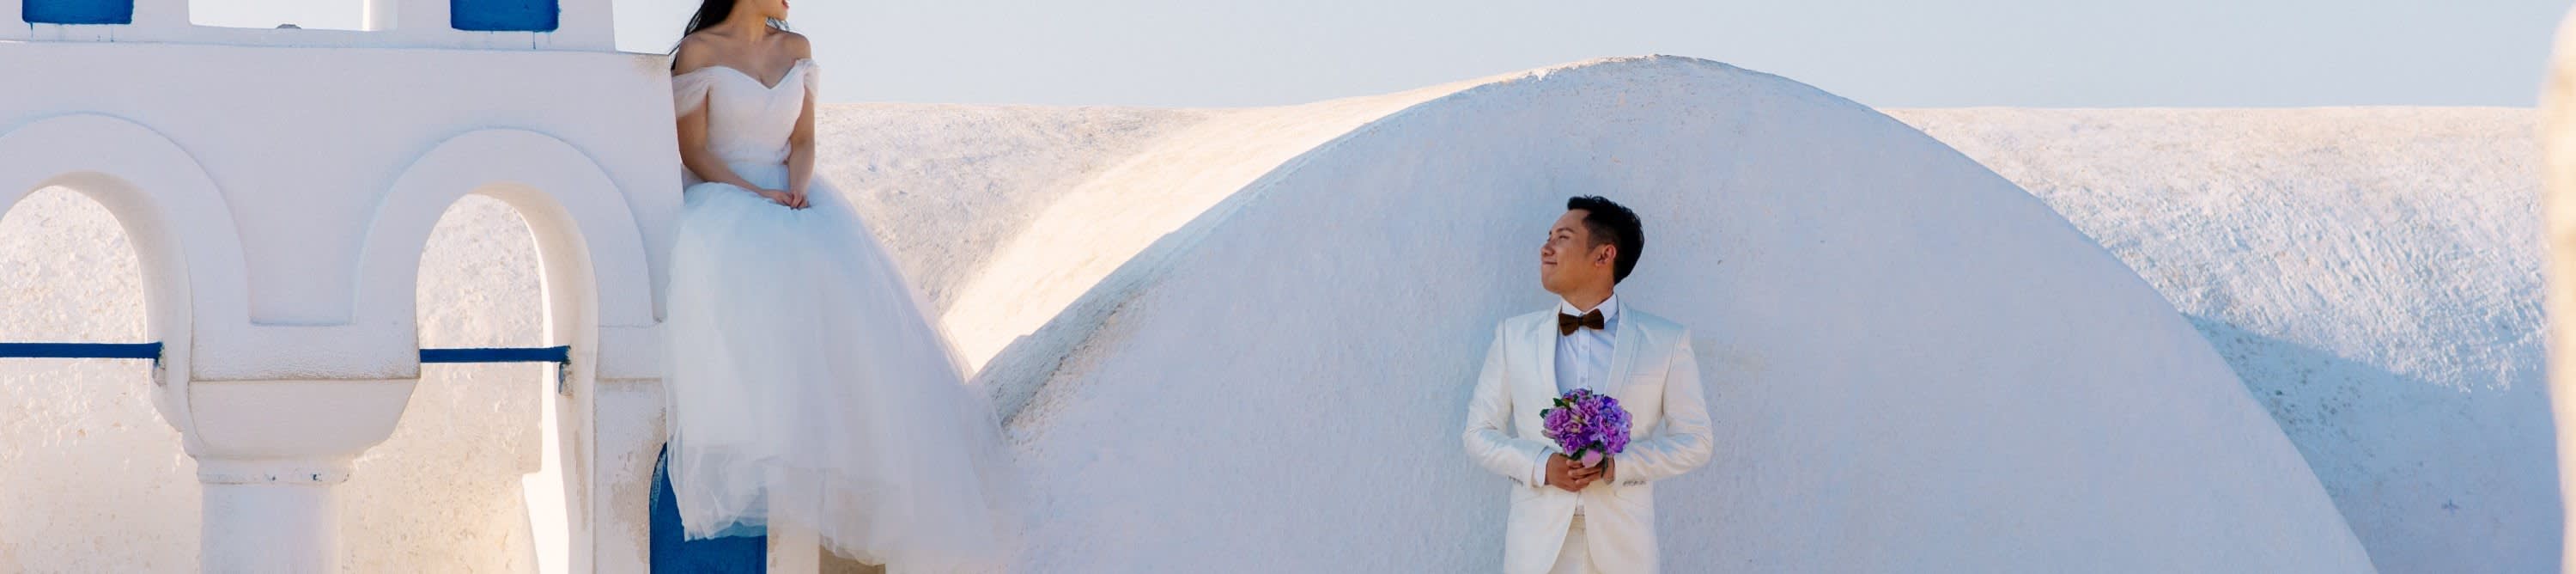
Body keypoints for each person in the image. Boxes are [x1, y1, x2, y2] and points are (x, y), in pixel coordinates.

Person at [659, 0, 1011, 569]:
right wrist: (756, 194)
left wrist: (796, 189)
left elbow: (803, 140)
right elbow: (693, 150)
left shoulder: (796, 49)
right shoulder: (700, 53)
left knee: (852, 334)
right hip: (726, 198)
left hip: (794, 197)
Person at [1461, 196, 1715, 574]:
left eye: (1562, 237)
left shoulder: (1666, 341)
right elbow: (1478, 434)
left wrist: (1616, 466)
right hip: (1537, 549)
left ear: (1604, 255)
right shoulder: (1513, 336)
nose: (1546, 248)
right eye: (1549, 237)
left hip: (1624, 548)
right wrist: (1542, 465)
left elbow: (1696, 442)